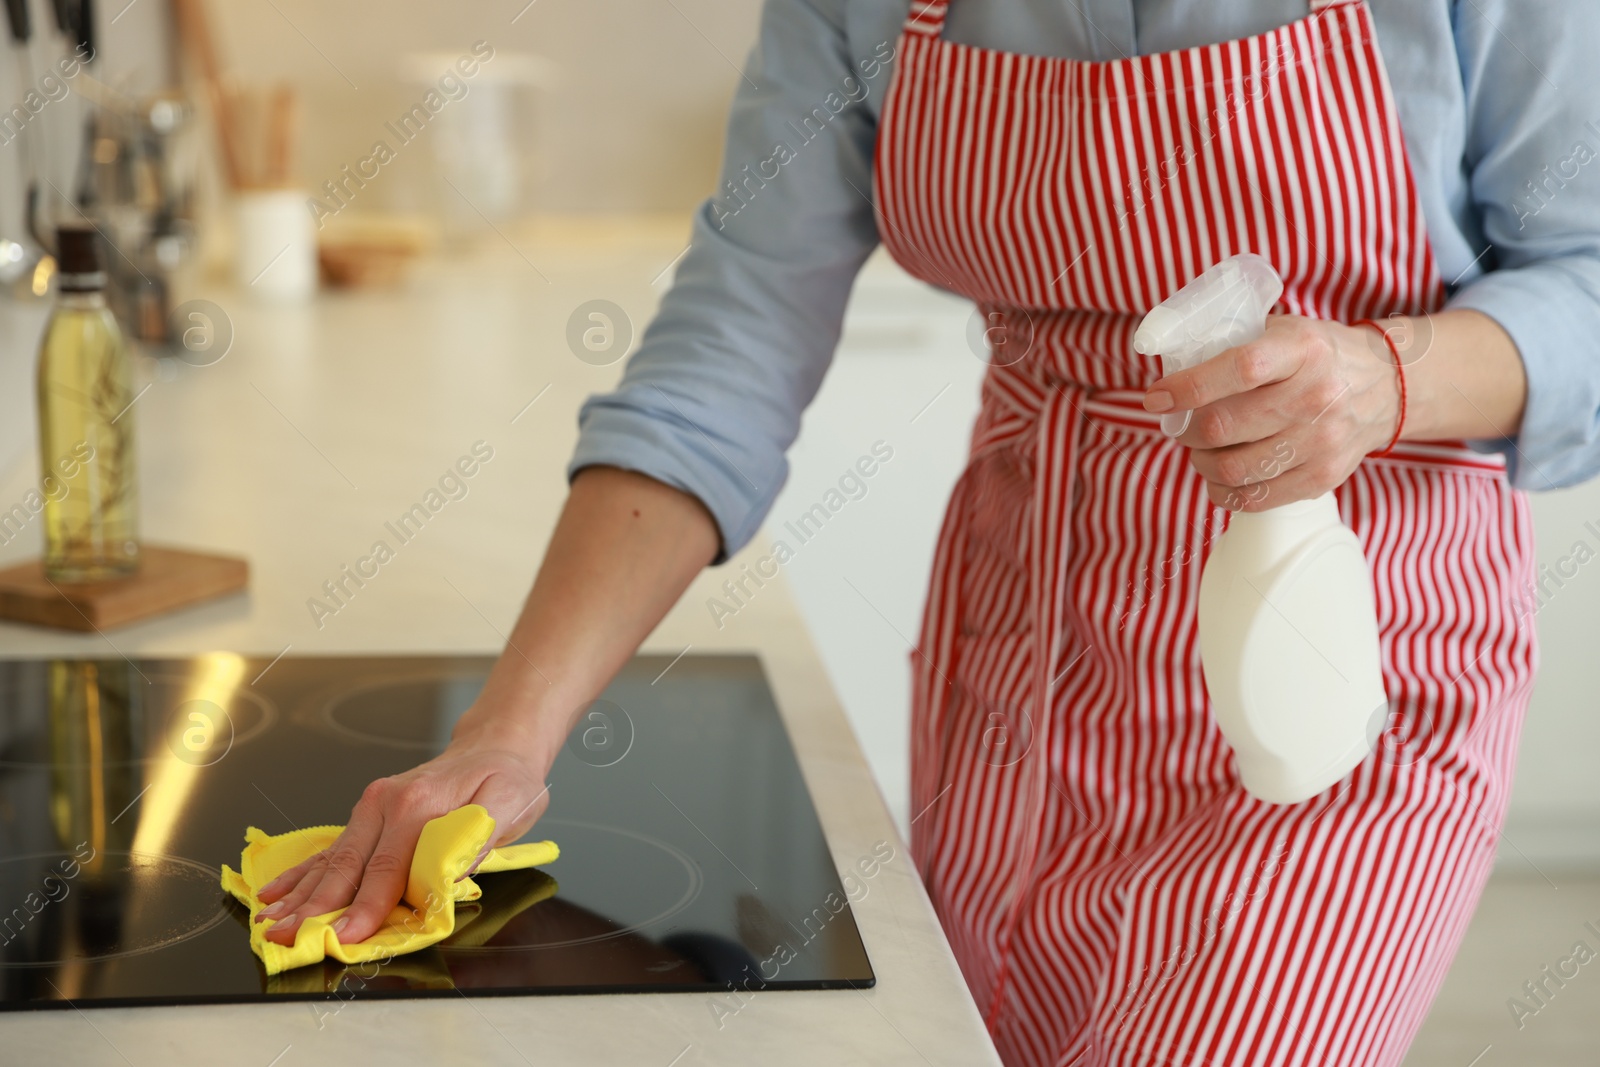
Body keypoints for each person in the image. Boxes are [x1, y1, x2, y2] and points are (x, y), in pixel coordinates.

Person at [253, 1, 1600, 1062]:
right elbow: (730, 347)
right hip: (1014, 681)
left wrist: (1390, 374)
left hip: (1343, 685)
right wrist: (506, 735)